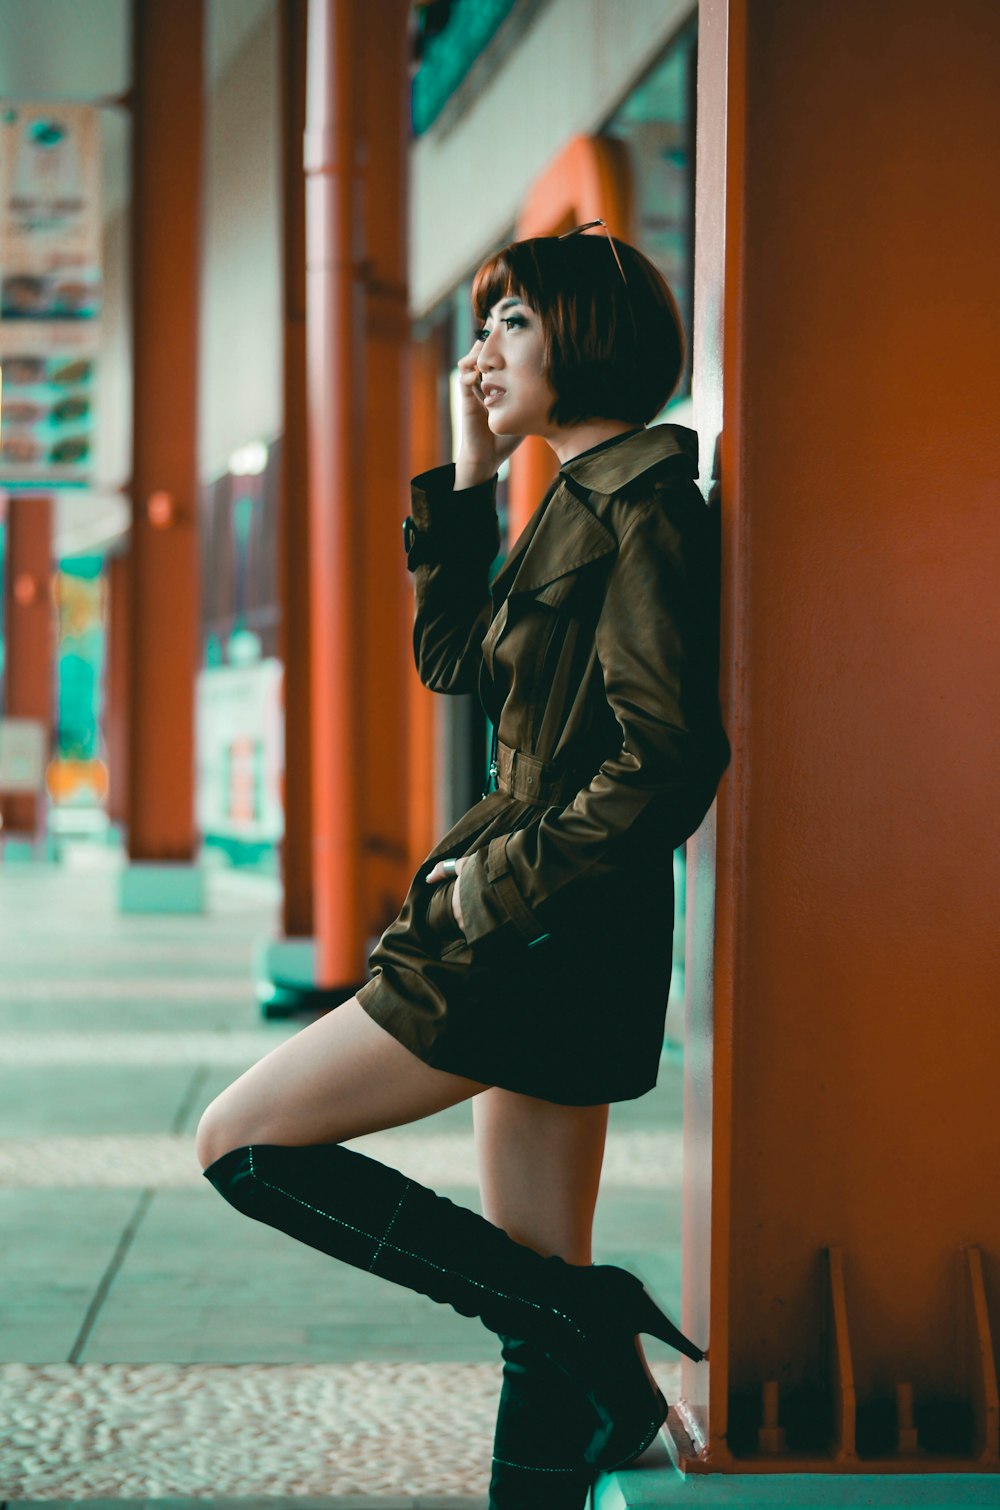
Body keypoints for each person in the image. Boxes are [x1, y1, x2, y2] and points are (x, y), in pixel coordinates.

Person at [196, 224, 730, 1508]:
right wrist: (473, 474)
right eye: (488, 324)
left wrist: (485, 892)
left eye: (512, 326)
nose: (482, 354)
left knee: (242, 1143)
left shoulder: (646, 514)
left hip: (535, 924)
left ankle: (591, 1323)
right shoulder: (578, 498)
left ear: (586, 341)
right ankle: (583, 1336)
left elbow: (664, 759)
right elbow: (455, 662)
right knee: (529, 1313)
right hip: (555, 923)